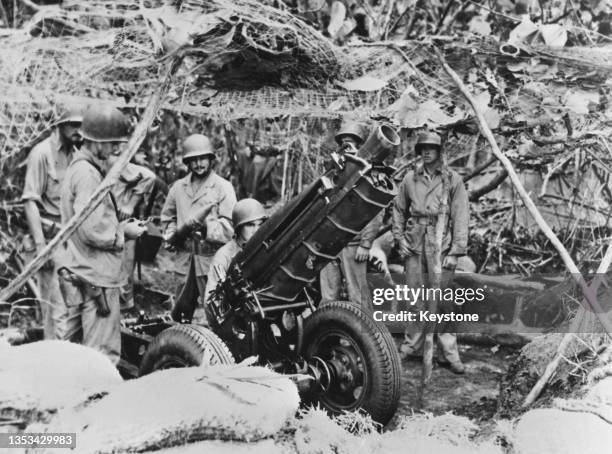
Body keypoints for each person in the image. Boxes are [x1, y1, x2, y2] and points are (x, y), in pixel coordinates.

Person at [56, 105, 147, 364]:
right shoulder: (87, 175)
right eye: (113, 144)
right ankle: (95, 401)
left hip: (80, 271)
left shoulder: (82, 168)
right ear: (96, 143)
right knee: (100, 359)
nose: (117, 149)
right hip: (97, 279)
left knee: (71, 352)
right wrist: (124, 232)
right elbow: (94, 230)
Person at [392, 131, 469, 374]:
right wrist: (398, 238)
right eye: (422, 148)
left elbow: (461, 215)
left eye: (431, 148)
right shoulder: (409, 179)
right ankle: (410, 346)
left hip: (441, 244)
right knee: (415, 297)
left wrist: (456, 251)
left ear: (439, 152)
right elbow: (398, 209)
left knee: (444, 301)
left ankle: (449, 353)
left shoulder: (452, 179)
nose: (426, 152)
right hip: (414, 243)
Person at [21, 103, 83, 339]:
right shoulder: (42, 153)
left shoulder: (75, 155)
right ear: (60, 124)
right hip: (50, 239)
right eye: (74, 125)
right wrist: (41, 248)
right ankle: (54, 365)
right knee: (55, 310)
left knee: (74, 309)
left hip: (72, 240)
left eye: (81, 125)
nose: (79, 131)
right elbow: (30, 201)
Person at [161, 134, 237, 324]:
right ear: (187, 162)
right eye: (193, 160)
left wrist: (207, 228)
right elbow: (167, 217)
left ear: (211, 159)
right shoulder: (178, 188)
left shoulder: (223, 188)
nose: (198, 163)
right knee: (180, 311)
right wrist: (172, 235)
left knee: (214, 310)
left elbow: (231, 228)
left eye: (203, 158)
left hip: (210, 259)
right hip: (185, 260)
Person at [319, 121, 383, 310]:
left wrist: (366, 242)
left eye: (352, 142)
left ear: (360, 144)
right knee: (328, 297)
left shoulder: (369, 171)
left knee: (358, 297)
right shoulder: (332, 169)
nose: (347, 147)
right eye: (343, 143)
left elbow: (377, 210)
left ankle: (366, 338)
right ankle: (328, 336)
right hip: (329, 243)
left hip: (353, 244)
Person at [108, 149, 157, 311]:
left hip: (121, 222)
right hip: (104, 222)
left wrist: (129, 205)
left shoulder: (116, 163)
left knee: (125, 265)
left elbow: (149, 177)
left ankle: (124, 304)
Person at [203, 198, 267, 318]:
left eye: (260, 224)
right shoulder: (224, 256)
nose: (256, 230)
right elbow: (210, 303)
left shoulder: (265, 247)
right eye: (250, 225)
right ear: (239, 227)